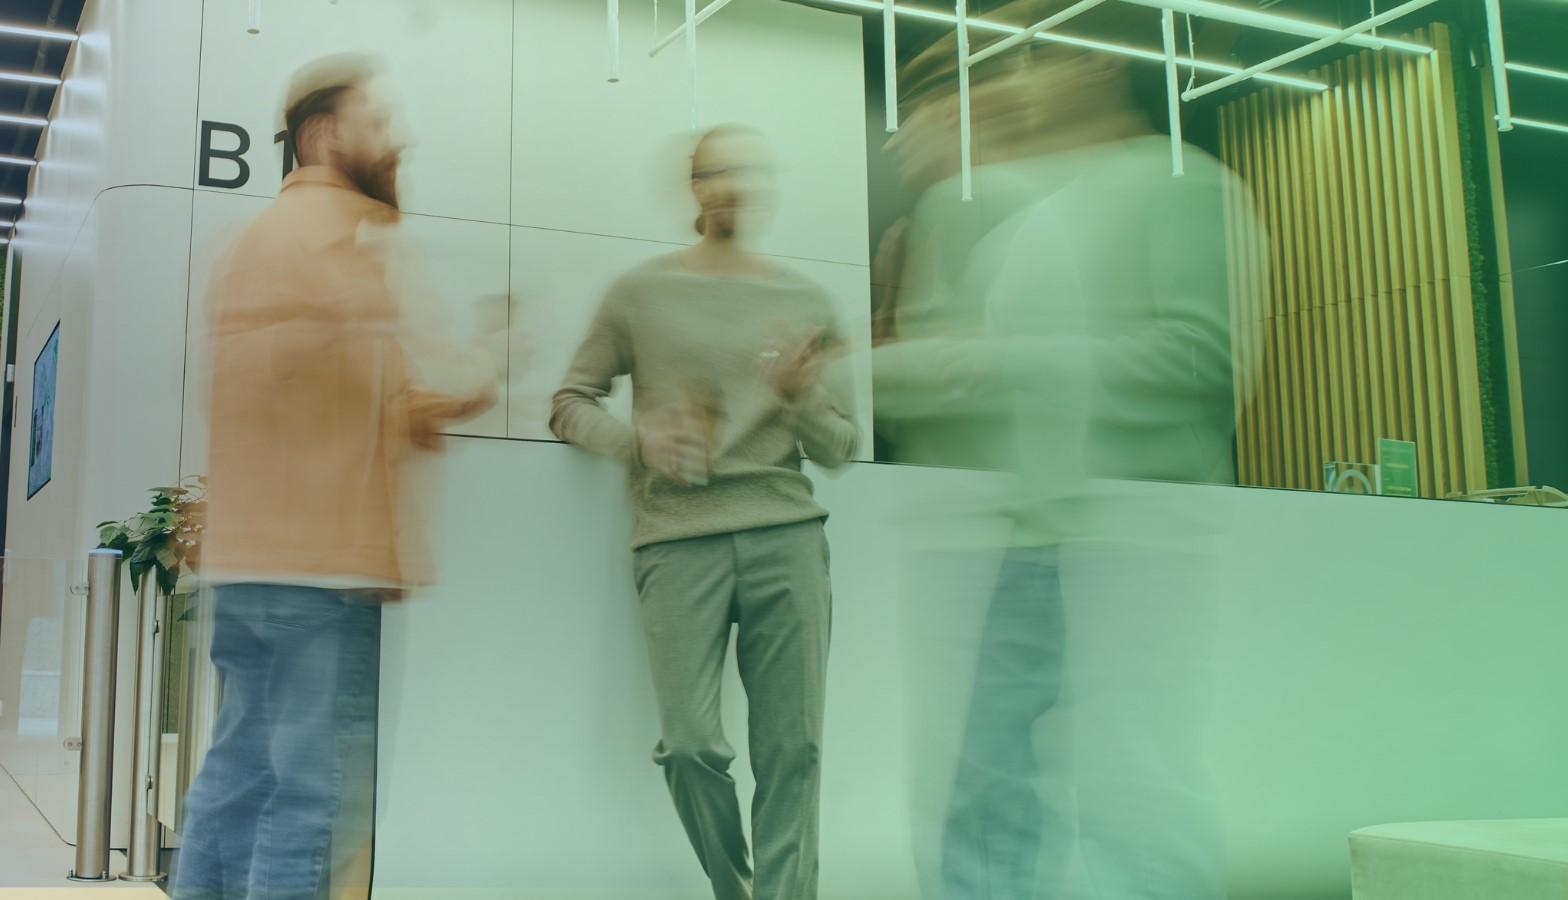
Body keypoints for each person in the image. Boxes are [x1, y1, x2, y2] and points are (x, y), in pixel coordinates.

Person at [875, 29, 1259, 900]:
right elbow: (978, 387)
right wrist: (850, 374)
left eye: (1035, 58)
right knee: (988, 795)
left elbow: (1203, 363)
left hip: (1134, 541)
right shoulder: (1029, 218)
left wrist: (993, 359)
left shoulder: (1184, 184)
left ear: (1101, 58)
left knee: (1130, 799)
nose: (1017, 83)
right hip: (1032, 542)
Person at [174, 53, 503, 900]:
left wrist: (439, 397)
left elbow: (337, 394)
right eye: (378, 123)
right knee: (313, 804)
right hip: (325, 575)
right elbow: (388, 389)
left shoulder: (249, 247)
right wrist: (479, 373)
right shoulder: (346, 241)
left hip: (246, 567)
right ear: (323, 136)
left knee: (234, 780)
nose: (398, 140)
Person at [550, 125, 858, 900]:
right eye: (714, 171)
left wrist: (801, 397)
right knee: (690, 746)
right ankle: (736, 890)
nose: (729, 184)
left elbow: (841, 447)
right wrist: (639, 442)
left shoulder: (809, 302)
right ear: (693, 185)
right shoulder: (639, 293)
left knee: (794, 751)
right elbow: (569, 402)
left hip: (787, 536)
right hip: (677, 539)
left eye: (745, 171)